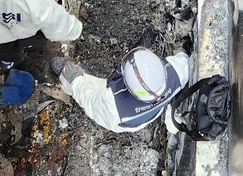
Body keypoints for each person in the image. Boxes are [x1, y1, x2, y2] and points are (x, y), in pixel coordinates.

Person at [51, 47, 189, 133]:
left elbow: (90, 100)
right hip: (153, 112)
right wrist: (181, 52)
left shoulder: (113, 106)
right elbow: (184, 60)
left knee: (87, 90)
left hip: (122, 122)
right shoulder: (176, 71)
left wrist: (76, 80)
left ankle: (67, 78)